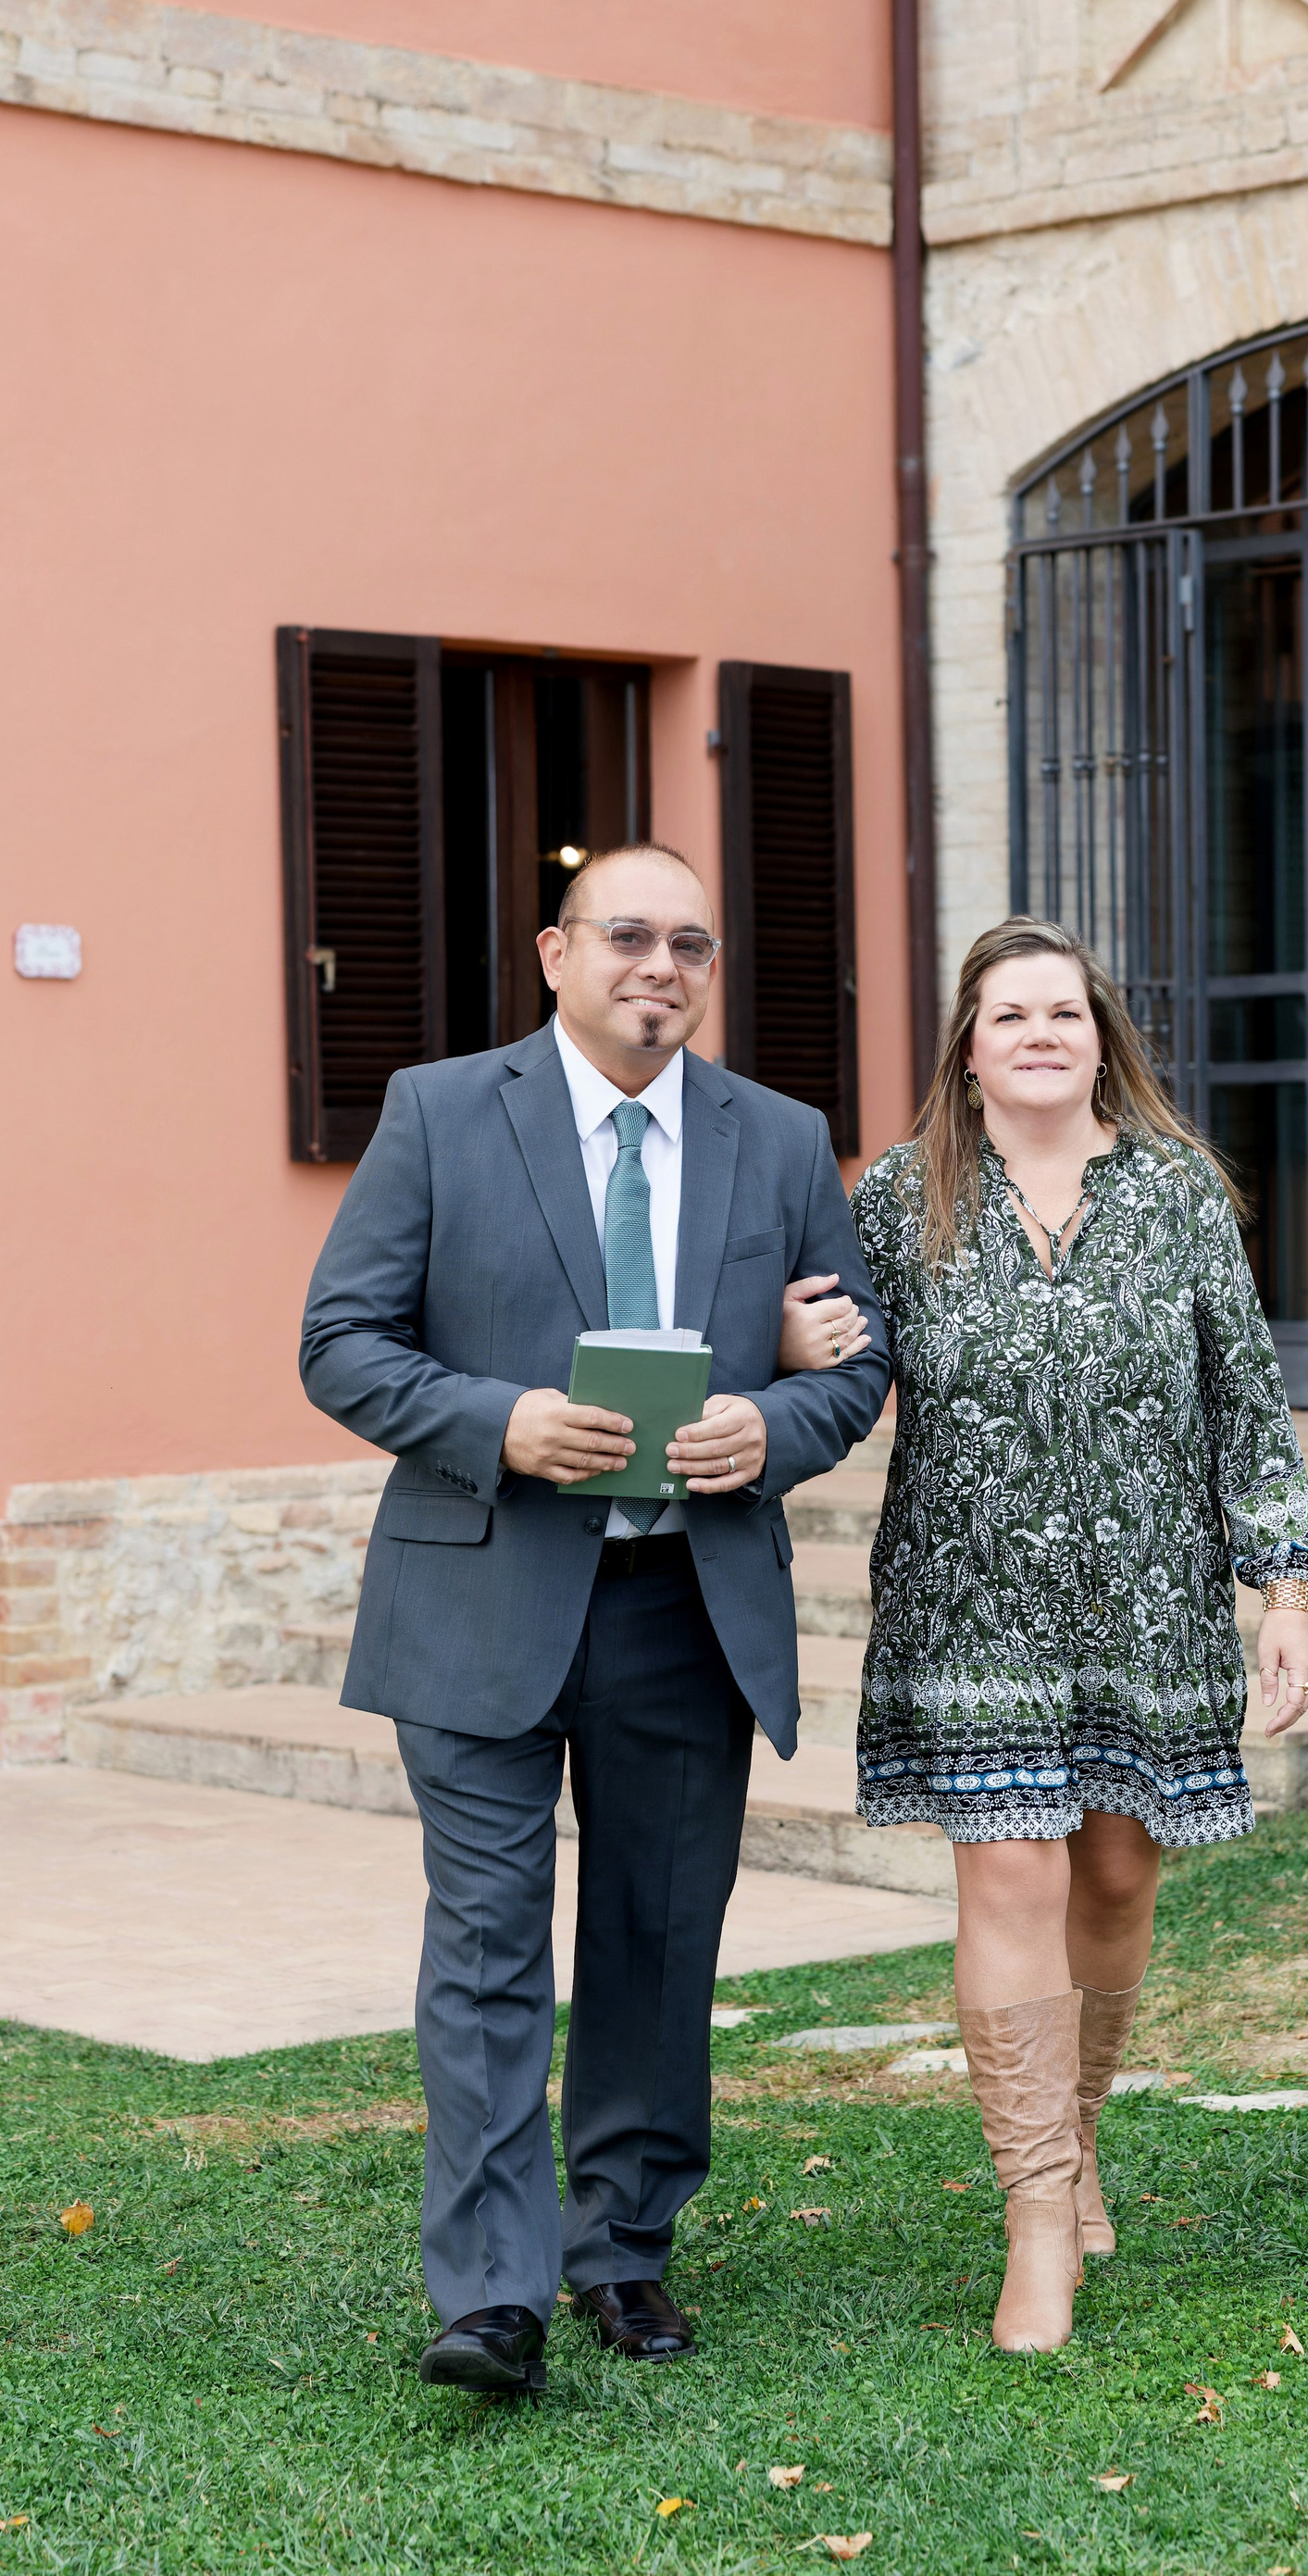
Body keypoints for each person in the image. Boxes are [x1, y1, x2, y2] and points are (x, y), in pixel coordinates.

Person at [300, 842, 890, 2396]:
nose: (661, 967)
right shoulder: (440, 1112)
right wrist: (495, 1420)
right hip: (481, 1589)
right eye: (628, 935)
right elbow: (341, 1340)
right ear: (556, 954)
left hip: (686, 1605)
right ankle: (492, 2293)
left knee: (655, 1937)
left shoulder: (780, 1139)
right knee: (489, 1943)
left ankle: (622, 2247)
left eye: (691, 944)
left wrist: (775, 1425)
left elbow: (854, 1362)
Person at [847, 915, 1308, 2356]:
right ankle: (1039, 2217)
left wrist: (1285, 1592)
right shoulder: (900, 1197)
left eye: (1063, 1011)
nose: (1040, 1034)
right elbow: (836, 1367)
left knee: (1116, 1874)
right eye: (1010, 1015)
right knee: (1009, 1870)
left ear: (1101, 1036)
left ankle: (1076, 2131)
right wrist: (798, 1353)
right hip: (970, 1600)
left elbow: (1245, 1401)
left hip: (1150, 1603)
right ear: (969, 1048)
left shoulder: (1178, 1193)